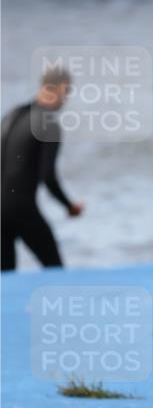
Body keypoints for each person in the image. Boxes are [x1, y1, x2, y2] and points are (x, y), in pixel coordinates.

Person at [1, 67, 83, 272]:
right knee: (55, 270)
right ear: (62, 88)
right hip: (21, 208)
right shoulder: (49, 124)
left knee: (5, 278)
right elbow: (48, 176)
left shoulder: (11, 115)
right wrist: (69, 206)